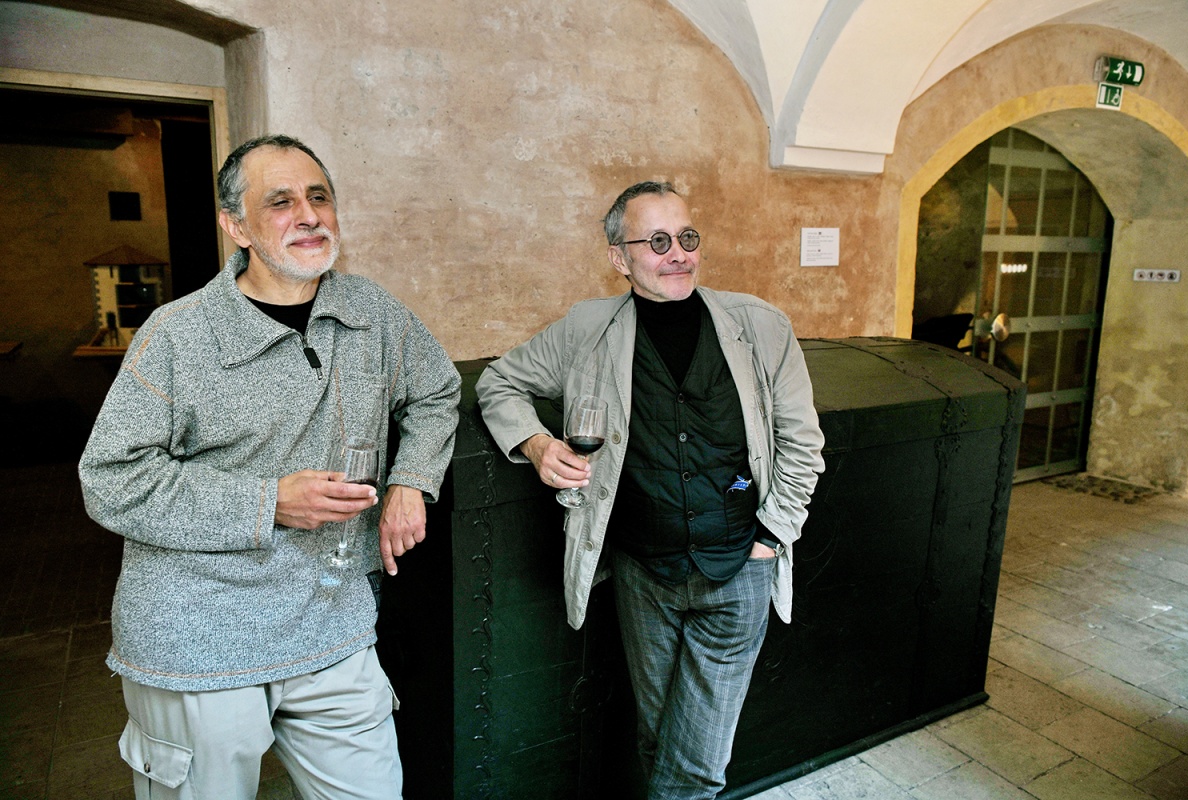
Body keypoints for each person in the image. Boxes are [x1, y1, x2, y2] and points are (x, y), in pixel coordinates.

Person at [78, 134, 461, 799]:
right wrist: (267, 503)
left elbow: (435, 390)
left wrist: (410, 482)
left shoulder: (372, 312)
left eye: (319, 197)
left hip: (334, 621)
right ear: (236, 226)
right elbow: (110, 479)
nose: (308, 216)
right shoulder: (177, 333)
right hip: (199, 640)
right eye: (280, 202)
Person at [475, 181, 825, 799]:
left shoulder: (762, 326)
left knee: (696, 765)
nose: (678, 253)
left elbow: (802, 444)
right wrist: (535, 445)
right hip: (643, 576)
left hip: (740, 566)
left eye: (687, 237)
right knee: (658, 738)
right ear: (620, 257)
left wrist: (771, 538)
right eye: (657, 241)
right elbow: (498, 383)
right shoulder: (586, 329)